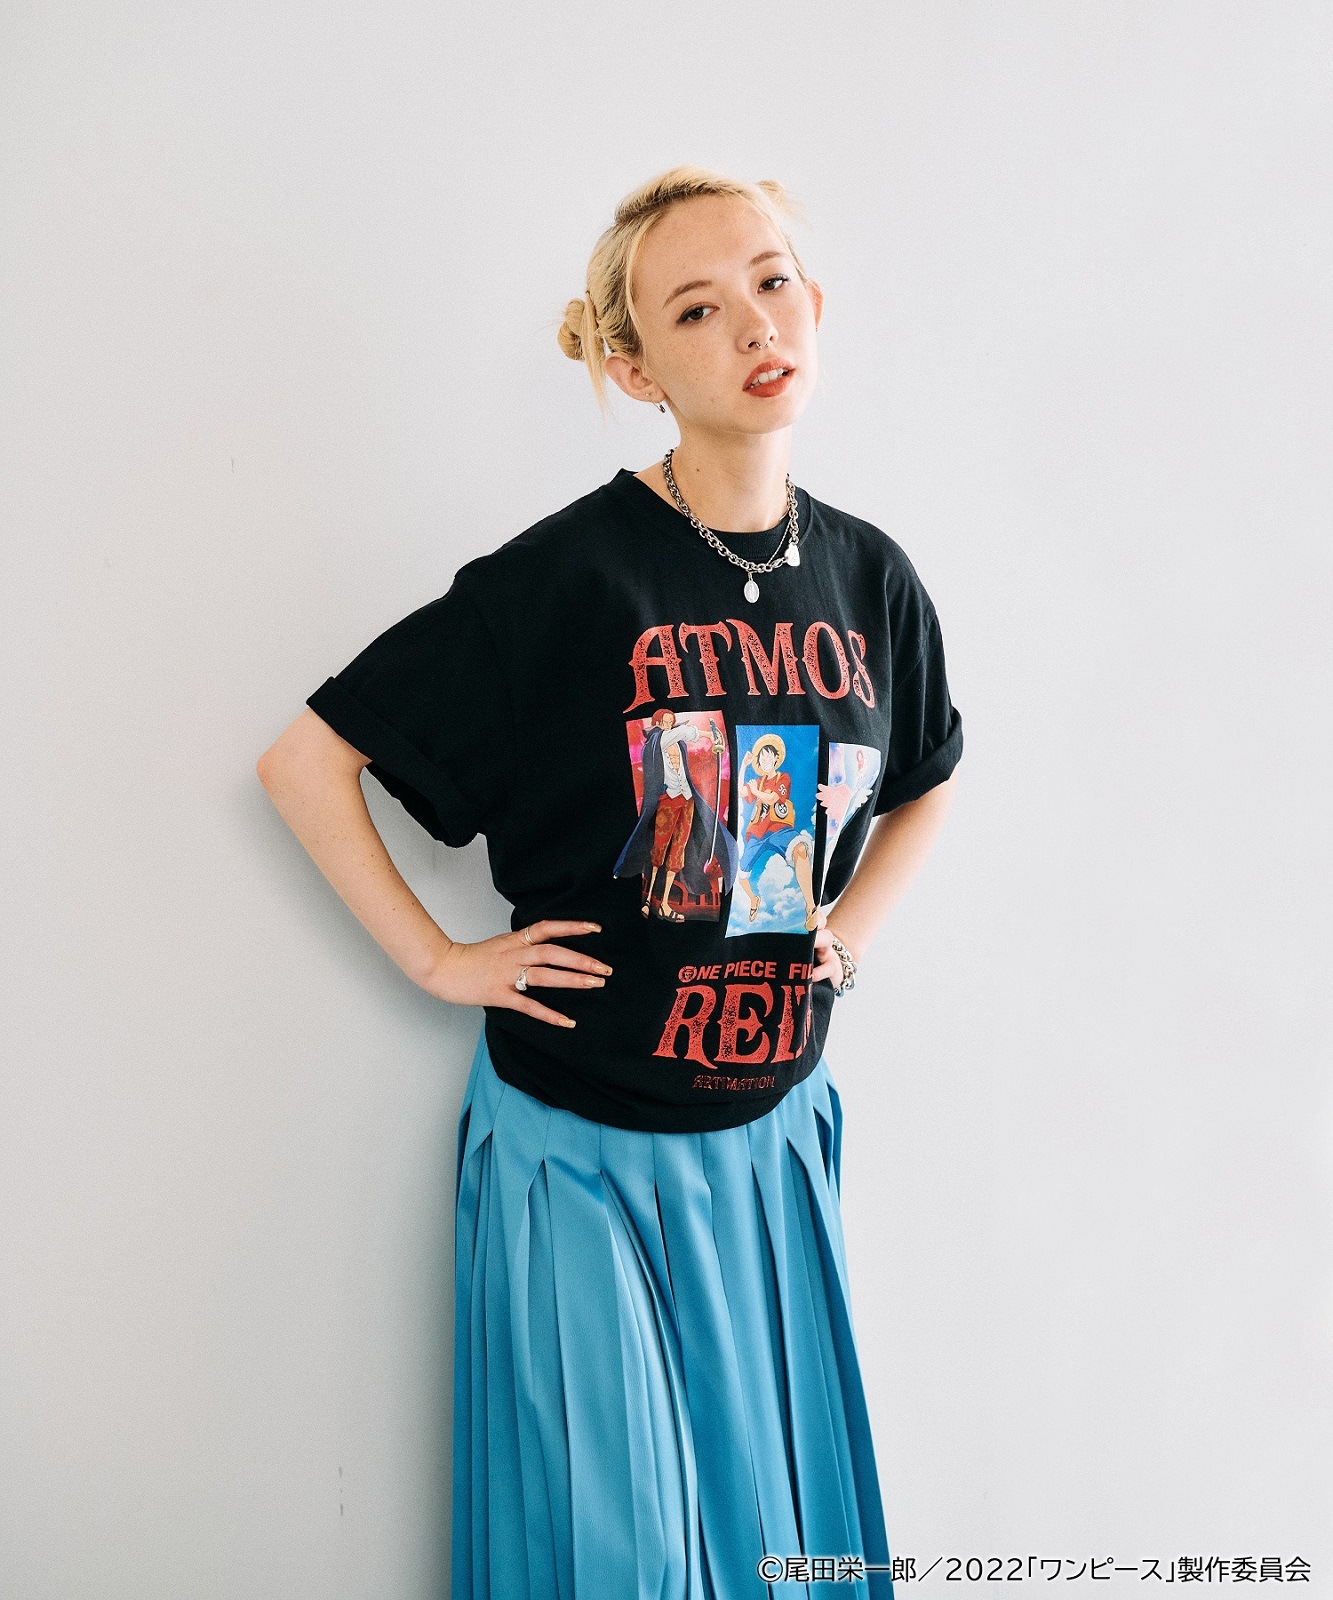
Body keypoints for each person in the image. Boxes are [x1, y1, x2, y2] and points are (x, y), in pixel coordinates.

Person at [257, 163, 963, 1600]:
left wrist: (847, 935)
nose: (751, 323)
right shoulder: (567, 580)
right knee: (617, 1555)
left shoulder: (870, 577)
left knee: (779, 1553)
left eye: (770, 281)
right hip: (580, 1143)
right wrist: (436, 960)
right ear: (636, 369)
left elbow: (927, 778)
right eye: (694, 310)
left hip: (771, 1142)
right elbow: (307, 761)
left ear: (814, 304)